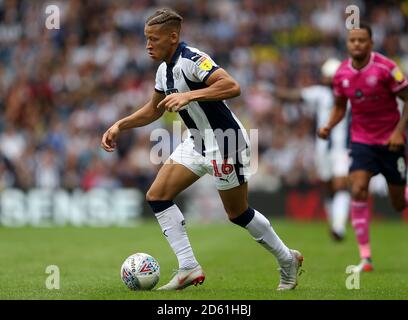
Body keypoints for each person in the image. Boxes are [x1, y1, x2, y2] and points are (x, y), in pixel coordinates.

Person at [101, 8, 303, 290]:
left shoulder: (193, 59)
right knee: (157, 196)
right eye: (146, 39)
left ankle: (287, 259)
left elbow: (232, 86)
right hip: (196, 143)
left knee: (238, 213)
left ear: (173, 37)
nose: (148, 45)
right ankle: (188, 267)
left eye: (154, 39)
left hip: (226, 143)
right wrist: (120, 125)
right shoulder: (163, 70)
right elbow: (152, 110)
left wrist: (189, 94)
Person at [318, 24, 408, 272]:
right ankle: (365, 258)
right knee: (357, 188)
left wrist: (399, 132)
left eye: (361, 40)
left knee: (398, 203)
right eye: (352, 40)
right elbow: (339, 106)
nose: (356, 44)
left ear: (370, 43)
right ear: (347, 44)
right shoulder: (341, 74)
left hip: (391, 141)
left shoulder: (387, 68)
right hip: (361, 141)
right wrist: (328, 125)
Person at [274, 58, 351, 241]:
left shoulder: (349, 94)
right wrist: (272, 91)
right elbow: (295, 96)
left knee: (341, 185)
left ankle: (339, 227)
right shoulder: (320, 93)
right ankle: (335, 223)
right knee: (328, 187)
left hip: (343, 148)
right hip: (322, 148)